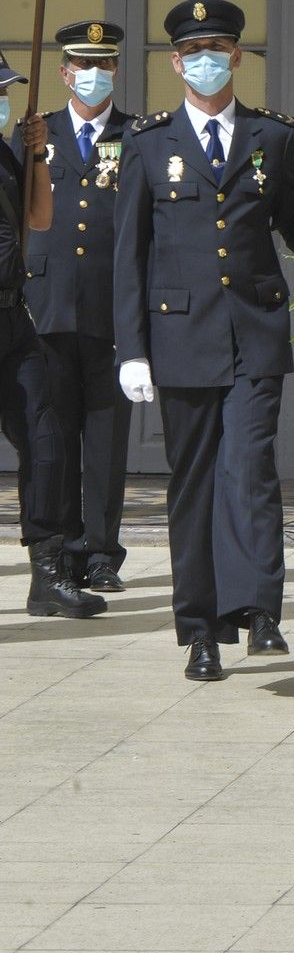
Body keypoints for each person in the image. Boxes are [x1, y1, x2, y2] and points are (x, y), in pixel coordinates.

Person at [113, 0, 294, 681]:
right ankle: (200, 629)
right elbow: (128, 253)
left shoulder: (272, 137)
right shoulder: (148, 140)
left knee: (251, 471)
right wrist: (131, 348)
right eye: (192, 51)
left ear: (236, 56)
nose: (205, 60)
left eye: (217, 48)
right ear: (175, 62)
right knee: (194, 482)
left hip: (254, 330)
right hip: (180, 336)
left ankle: (260, 612)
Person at [12, 20, 131, 592]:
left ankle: (102, 552)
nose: (93, 76)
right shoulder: (36, 135)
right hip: (45, 308)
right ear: (63, 73)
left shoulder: (139, 137)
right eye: (83, 67)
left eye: (103, 66)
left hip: (111, 310)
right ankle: (56, 548)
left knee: (107, 441)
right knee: (52, 439)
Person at [0, 53, 104, 619]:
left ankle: (47, 574)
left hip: (14, 320)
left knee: (46, 442)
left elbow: (39, 218)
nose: (4, 98)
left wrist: (36, 154)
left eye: (6, 89)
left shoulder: (8, 153)